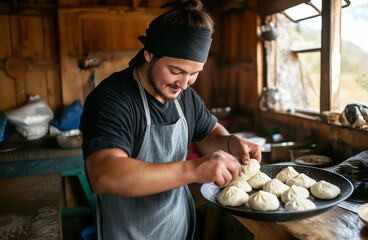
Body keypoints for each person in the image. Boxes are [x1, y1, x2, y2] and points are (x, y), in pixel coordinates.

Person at [79, 0, 262, 239]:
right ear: (149, 54)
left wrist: (230, 142)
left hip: (178, 227)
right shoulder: (113, 99)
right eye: (175, 71)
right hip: (129, 232)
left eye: (194, 73)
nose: (183, 84)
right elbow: (105, 174)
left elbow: (208, 134)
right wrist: (194, 169)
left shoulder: (184, 96)